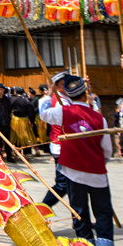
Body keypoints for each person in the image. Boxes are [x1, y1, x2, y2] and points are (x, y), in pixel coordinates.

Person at [40, 73, 117, 246]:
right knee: (103, 213)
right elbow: (107, 149)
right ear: (85, 94)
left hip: (73, 172)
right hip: (97, 173)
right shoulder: (100, 118)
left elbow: (43, 114)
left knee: (79, 213)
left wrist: (49, 94)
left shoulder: (63, 112)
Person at [39, 72, 71, 214]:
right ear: (57, 86)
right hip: (62, 146)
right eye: (65, 83)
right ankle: (41, 210)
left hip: (68, 146)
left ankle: (80, 219)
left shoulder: (66, 98)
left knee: (73, 185)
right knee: (63, 184)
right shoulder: (60, 100)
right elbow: (45, 115)